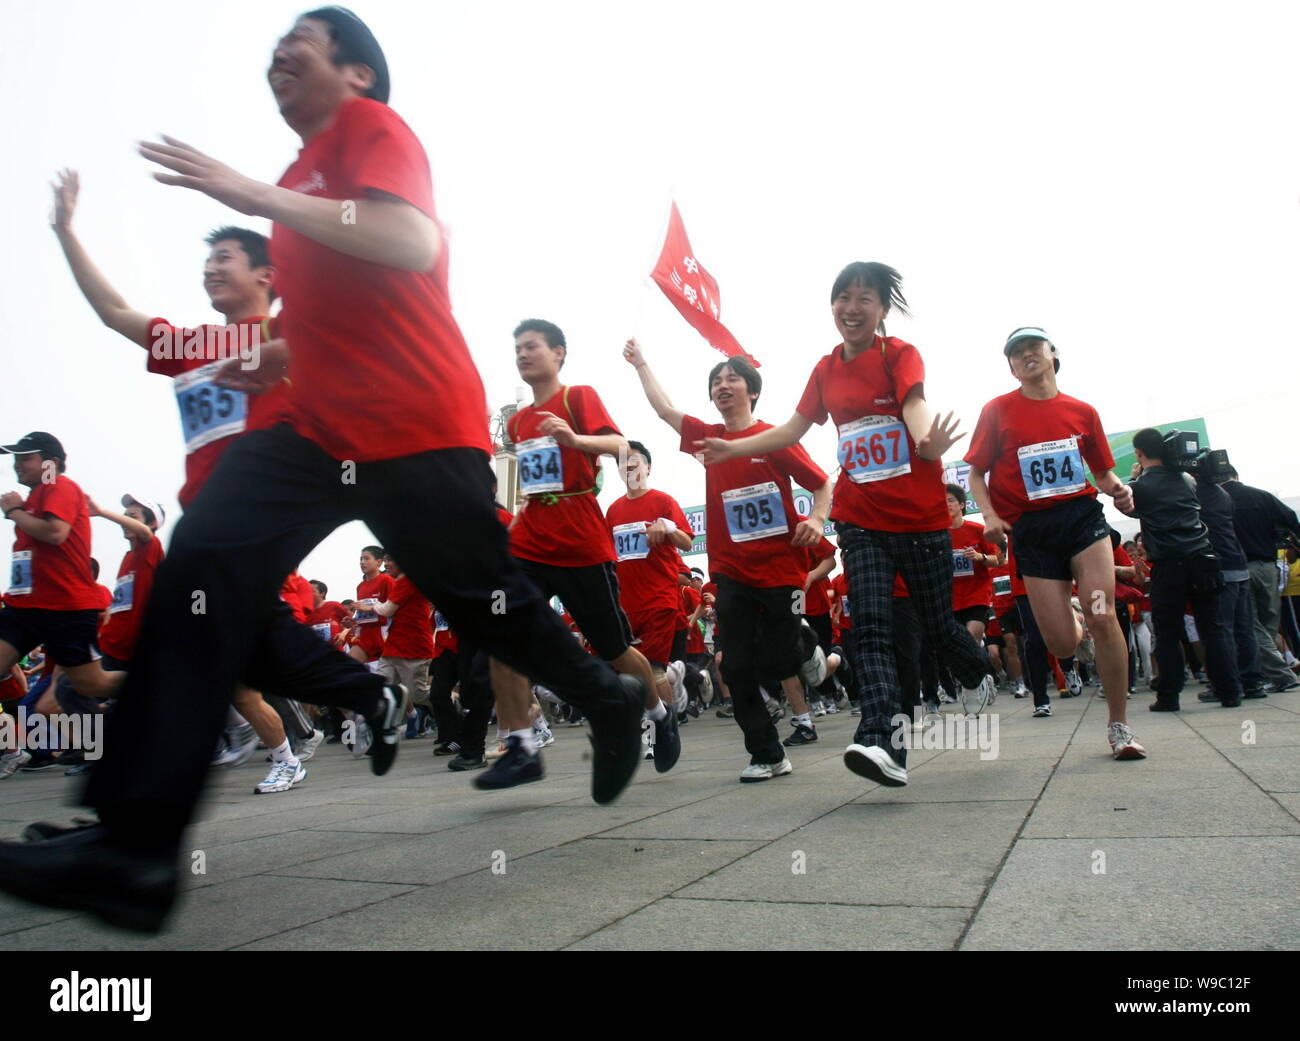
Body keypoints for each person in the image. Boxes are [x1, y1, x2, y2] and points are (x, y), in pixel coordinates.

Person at [0, 7, 645, 933]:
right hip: (318, 434)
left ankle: (603, 694)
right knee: (201, 569)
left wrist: (250, 194)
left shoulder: (371, 130)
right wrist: (262, 337)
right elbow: (293, 323)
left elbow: (410, 242)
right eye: (269, 54)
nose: (276, 61)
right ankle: (133, 847)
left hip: (419, 424)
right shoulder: (297, 189)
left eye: (295, 45)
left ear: (356, 71)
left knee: (479, 597)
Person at [694, 263, 993, 786]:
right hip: (859, 519)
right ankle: (878, 740)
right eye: (843, 298)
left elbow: (914, 404)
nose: (851, 308)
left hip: (919, 521)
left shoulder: (898, 354)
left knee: (939, 626)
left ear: (881, 309)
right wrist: (732, 446)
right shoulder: (825, 369)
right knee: (872, 630)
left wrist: (927, 445)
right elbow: (791, 428)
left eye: (865, 299)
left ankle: (974, 673)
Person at [477, 319, 678, 791]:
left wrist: (574, 439)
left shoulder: (577, 398)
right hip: (531, 543)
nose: (523, 355)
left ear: (558, 353)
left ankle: (659, 713)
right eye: (517, 349)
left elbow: (619, 444)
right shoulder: (518, 421)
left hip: (582, 545)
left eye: (532, 347)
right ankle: (522, 747)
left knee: (613, 649)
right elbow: (535, 481)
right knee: (503, 635)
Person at [625, 338, 831, 781]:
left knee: (779, 660)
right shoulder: (709, 439)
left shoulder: (775, 437)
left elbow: (821, 484)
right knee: (735, 666)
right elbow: (665, 411)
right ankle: (767, 752)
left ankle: (805, 644)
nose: (723, 385)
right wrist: (642, 362)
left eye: (732, 378)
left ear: (752, 390)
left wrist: (816, 518)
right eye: (716, 381)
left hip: (781, 570)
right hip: (730, 572)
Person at [965, 328, 1145, 759]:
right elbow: (975, 473)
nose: (1027, 356)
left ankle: (1119, 727)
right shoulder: (997, 411)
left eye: (1034, 348)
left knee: (1106, 617)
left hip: (1081, 521)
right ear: (1011, 367)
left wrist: (1120, 489)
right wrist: (990, 516)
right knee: (1062, 645)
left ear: (1052, 355)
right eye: (1018, 353)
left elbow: (1102, 473)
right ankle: (1075, 613)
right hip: (1032, 531)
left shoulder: (1082, 412)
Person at [1129, 428, 1242, 709]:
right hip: (1204, 559)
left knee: (1167, 632)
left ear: (1139, 453)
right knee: (1213, 628)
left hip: (1168, 564)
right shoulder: (1187, 480)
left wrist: (1134, 477)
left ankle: (1169, 696)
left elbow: (1130, 508)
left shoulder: (1141, 486)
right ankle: (1230, 691)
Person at [1219, 466, 1300, 693]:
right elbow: (1291, 518)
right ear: (1236, 476)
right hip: (1268, 567)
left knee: (1250, 625)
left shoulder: (1219, 499)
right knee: (1269, 625)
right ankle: (1268, 673)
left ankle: (1282, 674)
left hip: (1241, 569)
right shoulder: (1262, 496)